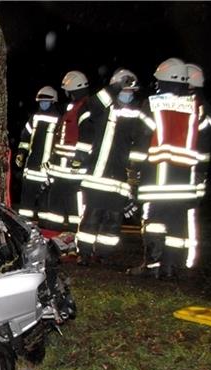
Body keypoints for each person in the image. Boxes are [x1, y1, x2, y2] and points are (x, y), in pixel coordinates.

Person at [130, 58, 211, 279]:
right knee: (176, 226)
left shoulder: (152, 105)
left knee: (154, 222)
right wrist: (201, 173)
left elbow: (142, 141)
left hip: (155, 179)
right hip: (184, 181)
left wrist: (134, 170)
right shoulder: (197, 109)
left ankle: (152, 266)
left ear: (163, 81)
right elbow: (203, 145)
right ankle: (170, 267)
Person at [74, 69, 153, 266]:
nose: (129, 94)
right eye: (124, 89)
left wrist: (135, 169)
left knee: (113, 221)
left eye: (131, 91)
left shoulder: (137, 112)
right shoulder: (103, 108)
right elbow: (93, 103)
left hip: (119, 180)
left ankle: (103, 255)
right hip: (96, 177)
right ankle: (84, 254)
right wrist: (114, 87)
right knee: (91, 218)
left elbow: (146, 136)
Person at [40, 70, 91, 231]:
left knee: (73, 204)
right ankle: (54, 235)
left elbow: (88, 136)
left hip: (74, 171)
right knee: (55, 203)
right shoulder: (73, 108)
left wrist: (79, 158)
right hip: (62, 169)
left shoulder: (84, 108)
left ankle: (76, 235)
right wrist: (52, 162)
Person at [16, 86, 61, 220]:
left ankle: (45, 232)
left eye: (46, 101)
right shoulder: (34, 118)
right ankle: (25, 230)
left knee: (45, 207)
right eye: (41, 101)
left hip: (47, 170)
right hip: (31, 169)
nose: (43, 103)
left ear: (53, 102)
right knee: (26, 207)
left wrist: (54, 161)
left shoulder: (60, 120)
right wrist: (21, 153)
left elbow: (61, 143)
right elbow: (25, 137)